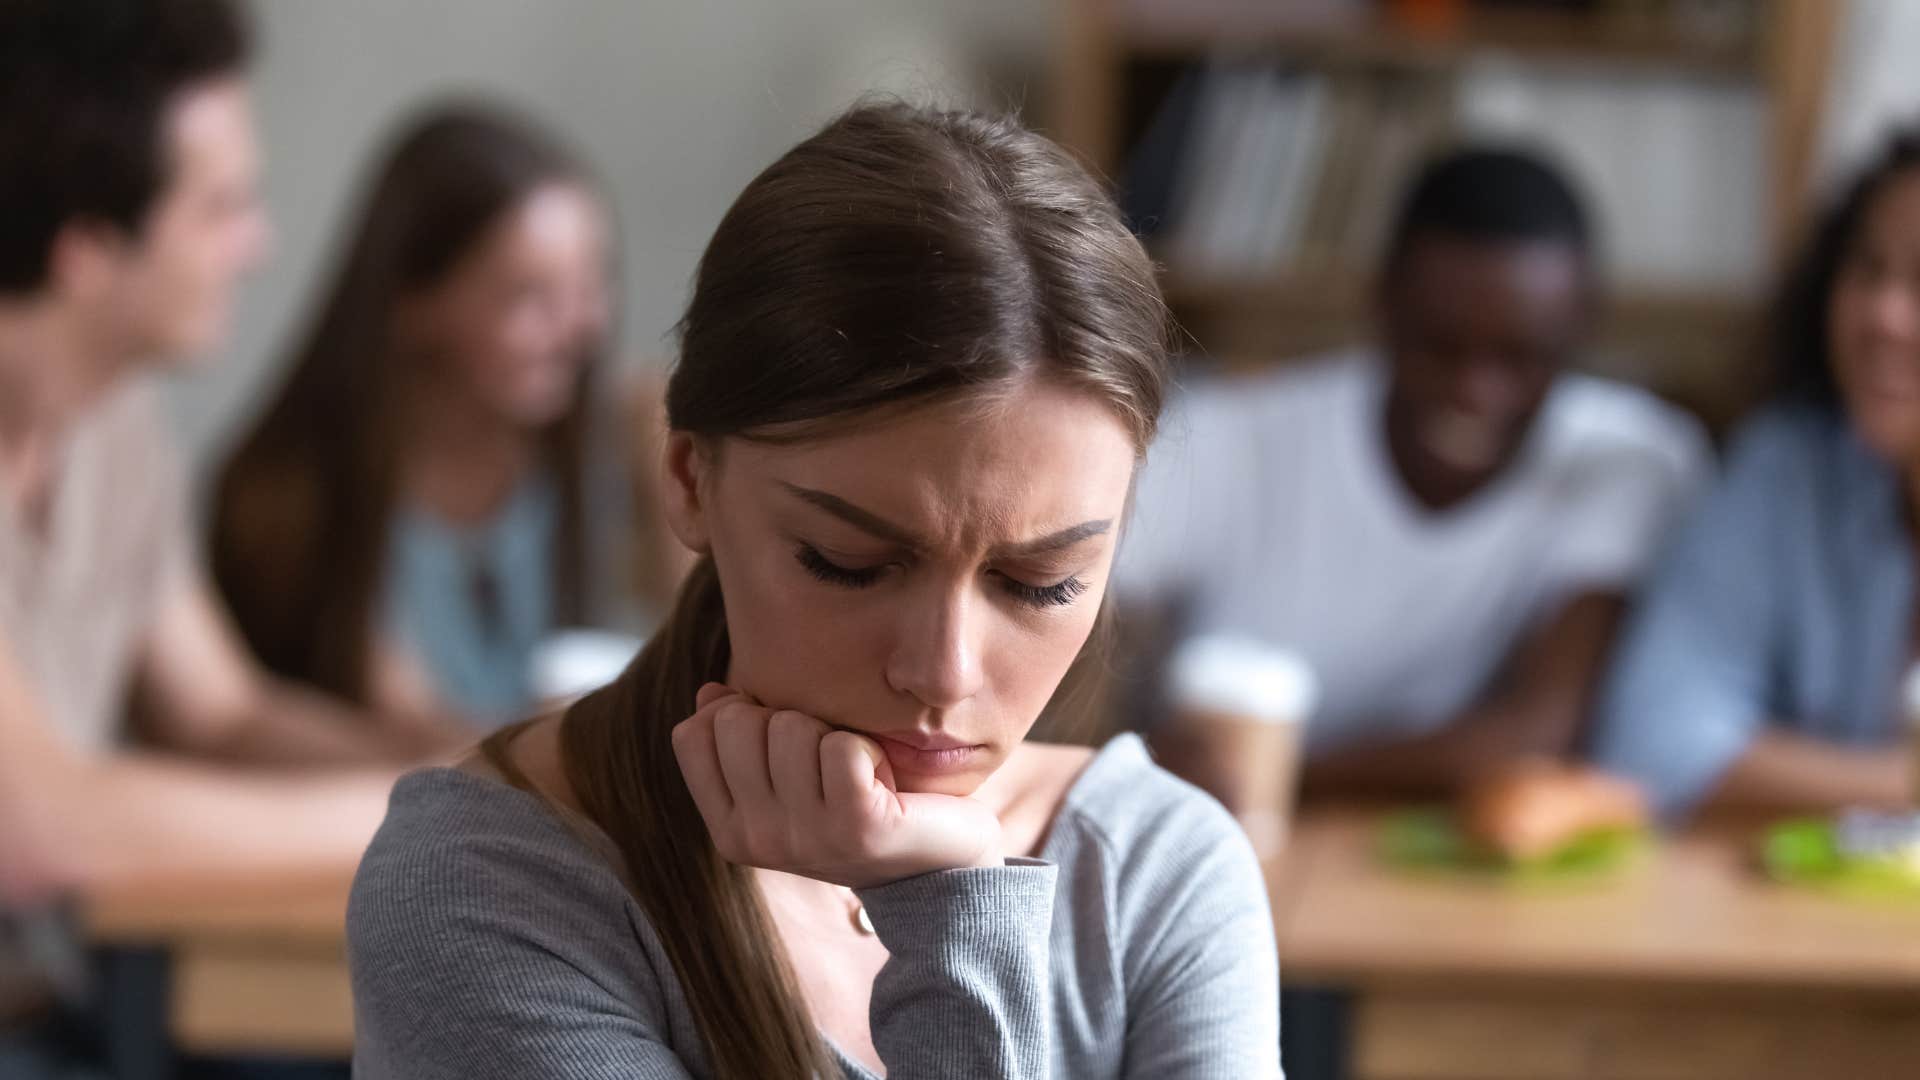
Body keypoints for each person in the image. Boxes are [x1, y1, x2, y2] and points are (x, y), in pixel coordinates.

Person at [347, 103, 1282, 1079]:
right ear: (689, 480)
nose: (943, 673)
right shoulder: (490, 888)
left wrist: (948, 887)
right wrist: (953, 913)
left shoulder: (1158, 872)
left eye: (1039, 583)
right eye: (849, 561)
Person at [0, 1, 450, 1070]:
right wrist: (446, 808)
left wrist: (470, 760)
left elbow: (222, 712)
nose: (257, 245)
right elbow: (38, 829)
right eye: (221, 208)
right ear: (88, 247)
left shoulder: (113, 422)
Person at [1116, 146, 1709, 806]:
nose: (1476, 391)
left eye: (1521, 357)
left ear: (1580, 328)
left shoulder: (1626, 460)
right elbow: (1071, 600)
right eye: (1440, 347)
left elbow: (1539, 735)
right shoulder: (1229, 438)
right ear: (1383, 304)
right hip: (1203, 821)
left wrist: (1273, 778)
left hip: (1350, 828)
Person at [211, 103, 634, 726]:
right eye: (530, 296)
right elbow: (403, 731)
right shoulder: (292, 500)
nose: (584, 328)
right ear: (412, 303)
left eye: (593, 284)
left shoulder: (619, 450)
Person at [1595, 129, 1920, 819]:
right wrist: (1904, 786)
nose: (1884, 315)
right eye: (1868, 269)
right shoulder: (1788, 469)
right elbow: (1652, 745)